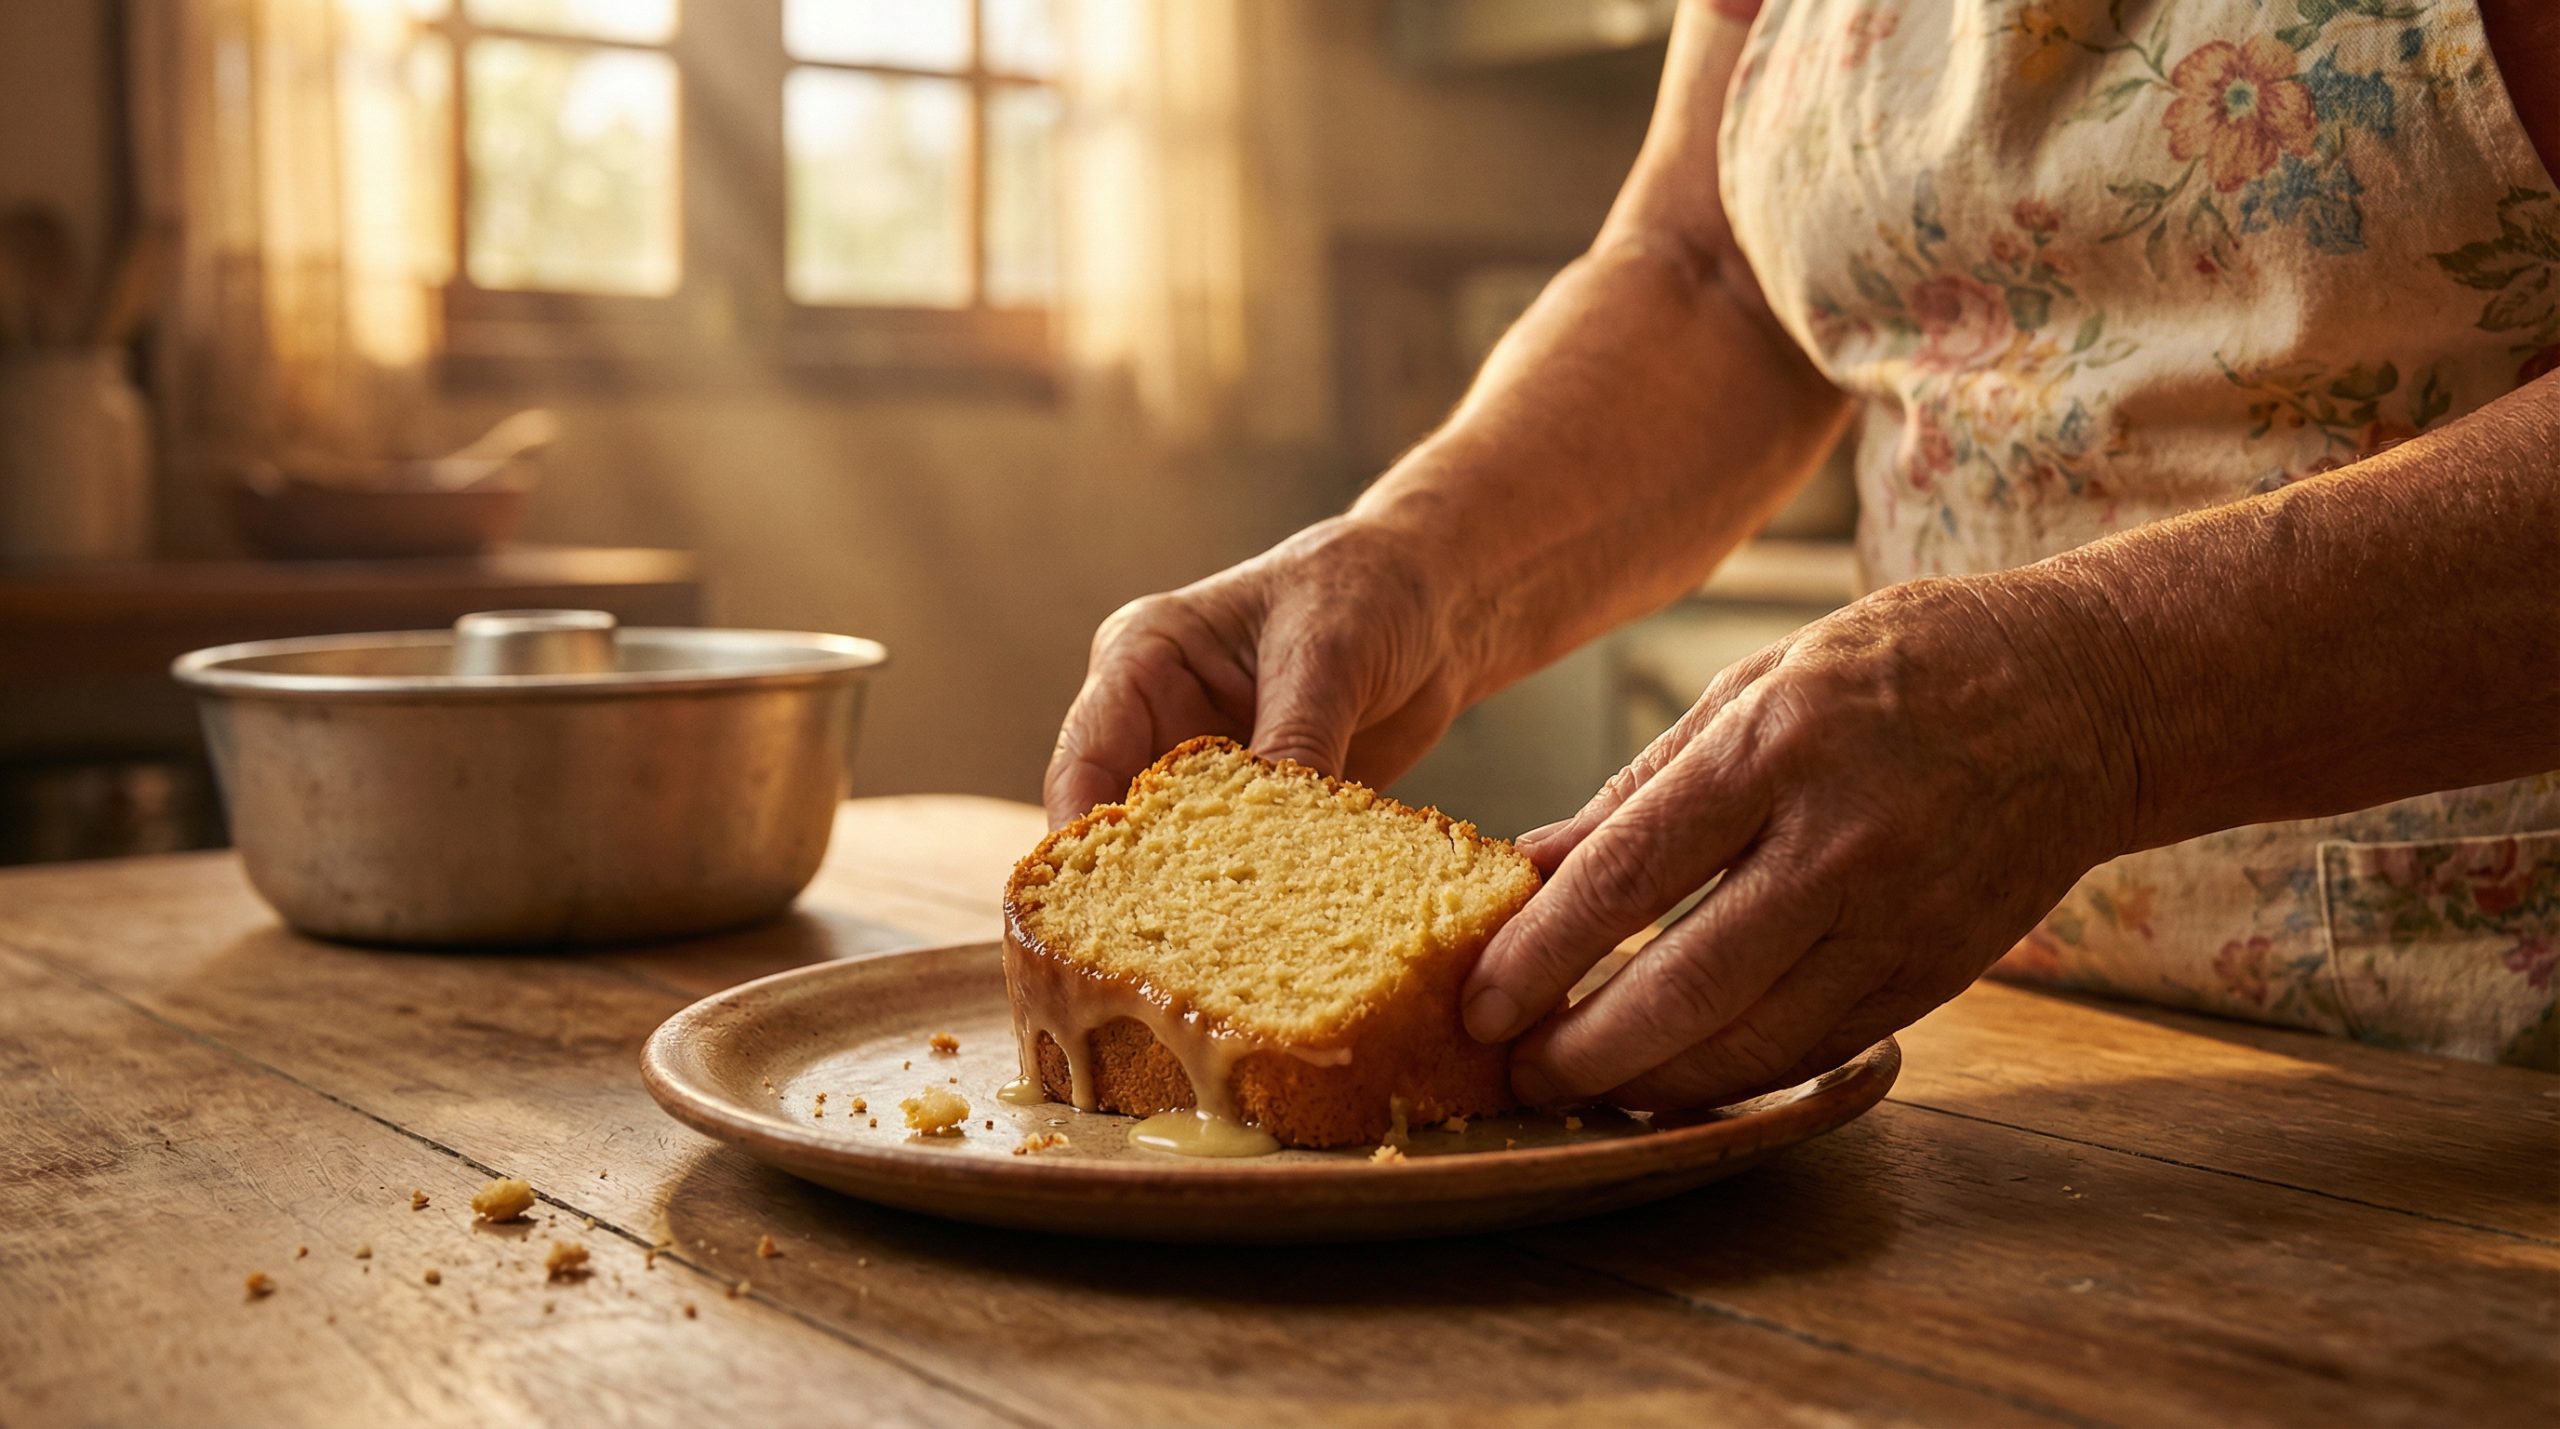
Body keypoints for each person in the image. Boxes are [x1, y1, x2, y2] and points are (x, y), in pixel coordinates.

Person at [1045, 0, 2560, 1109]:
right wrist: (1413, 557)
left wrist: (2101, 695)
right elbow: (1710, 277)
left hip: (2473, 1083)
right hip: (1980, 1064)